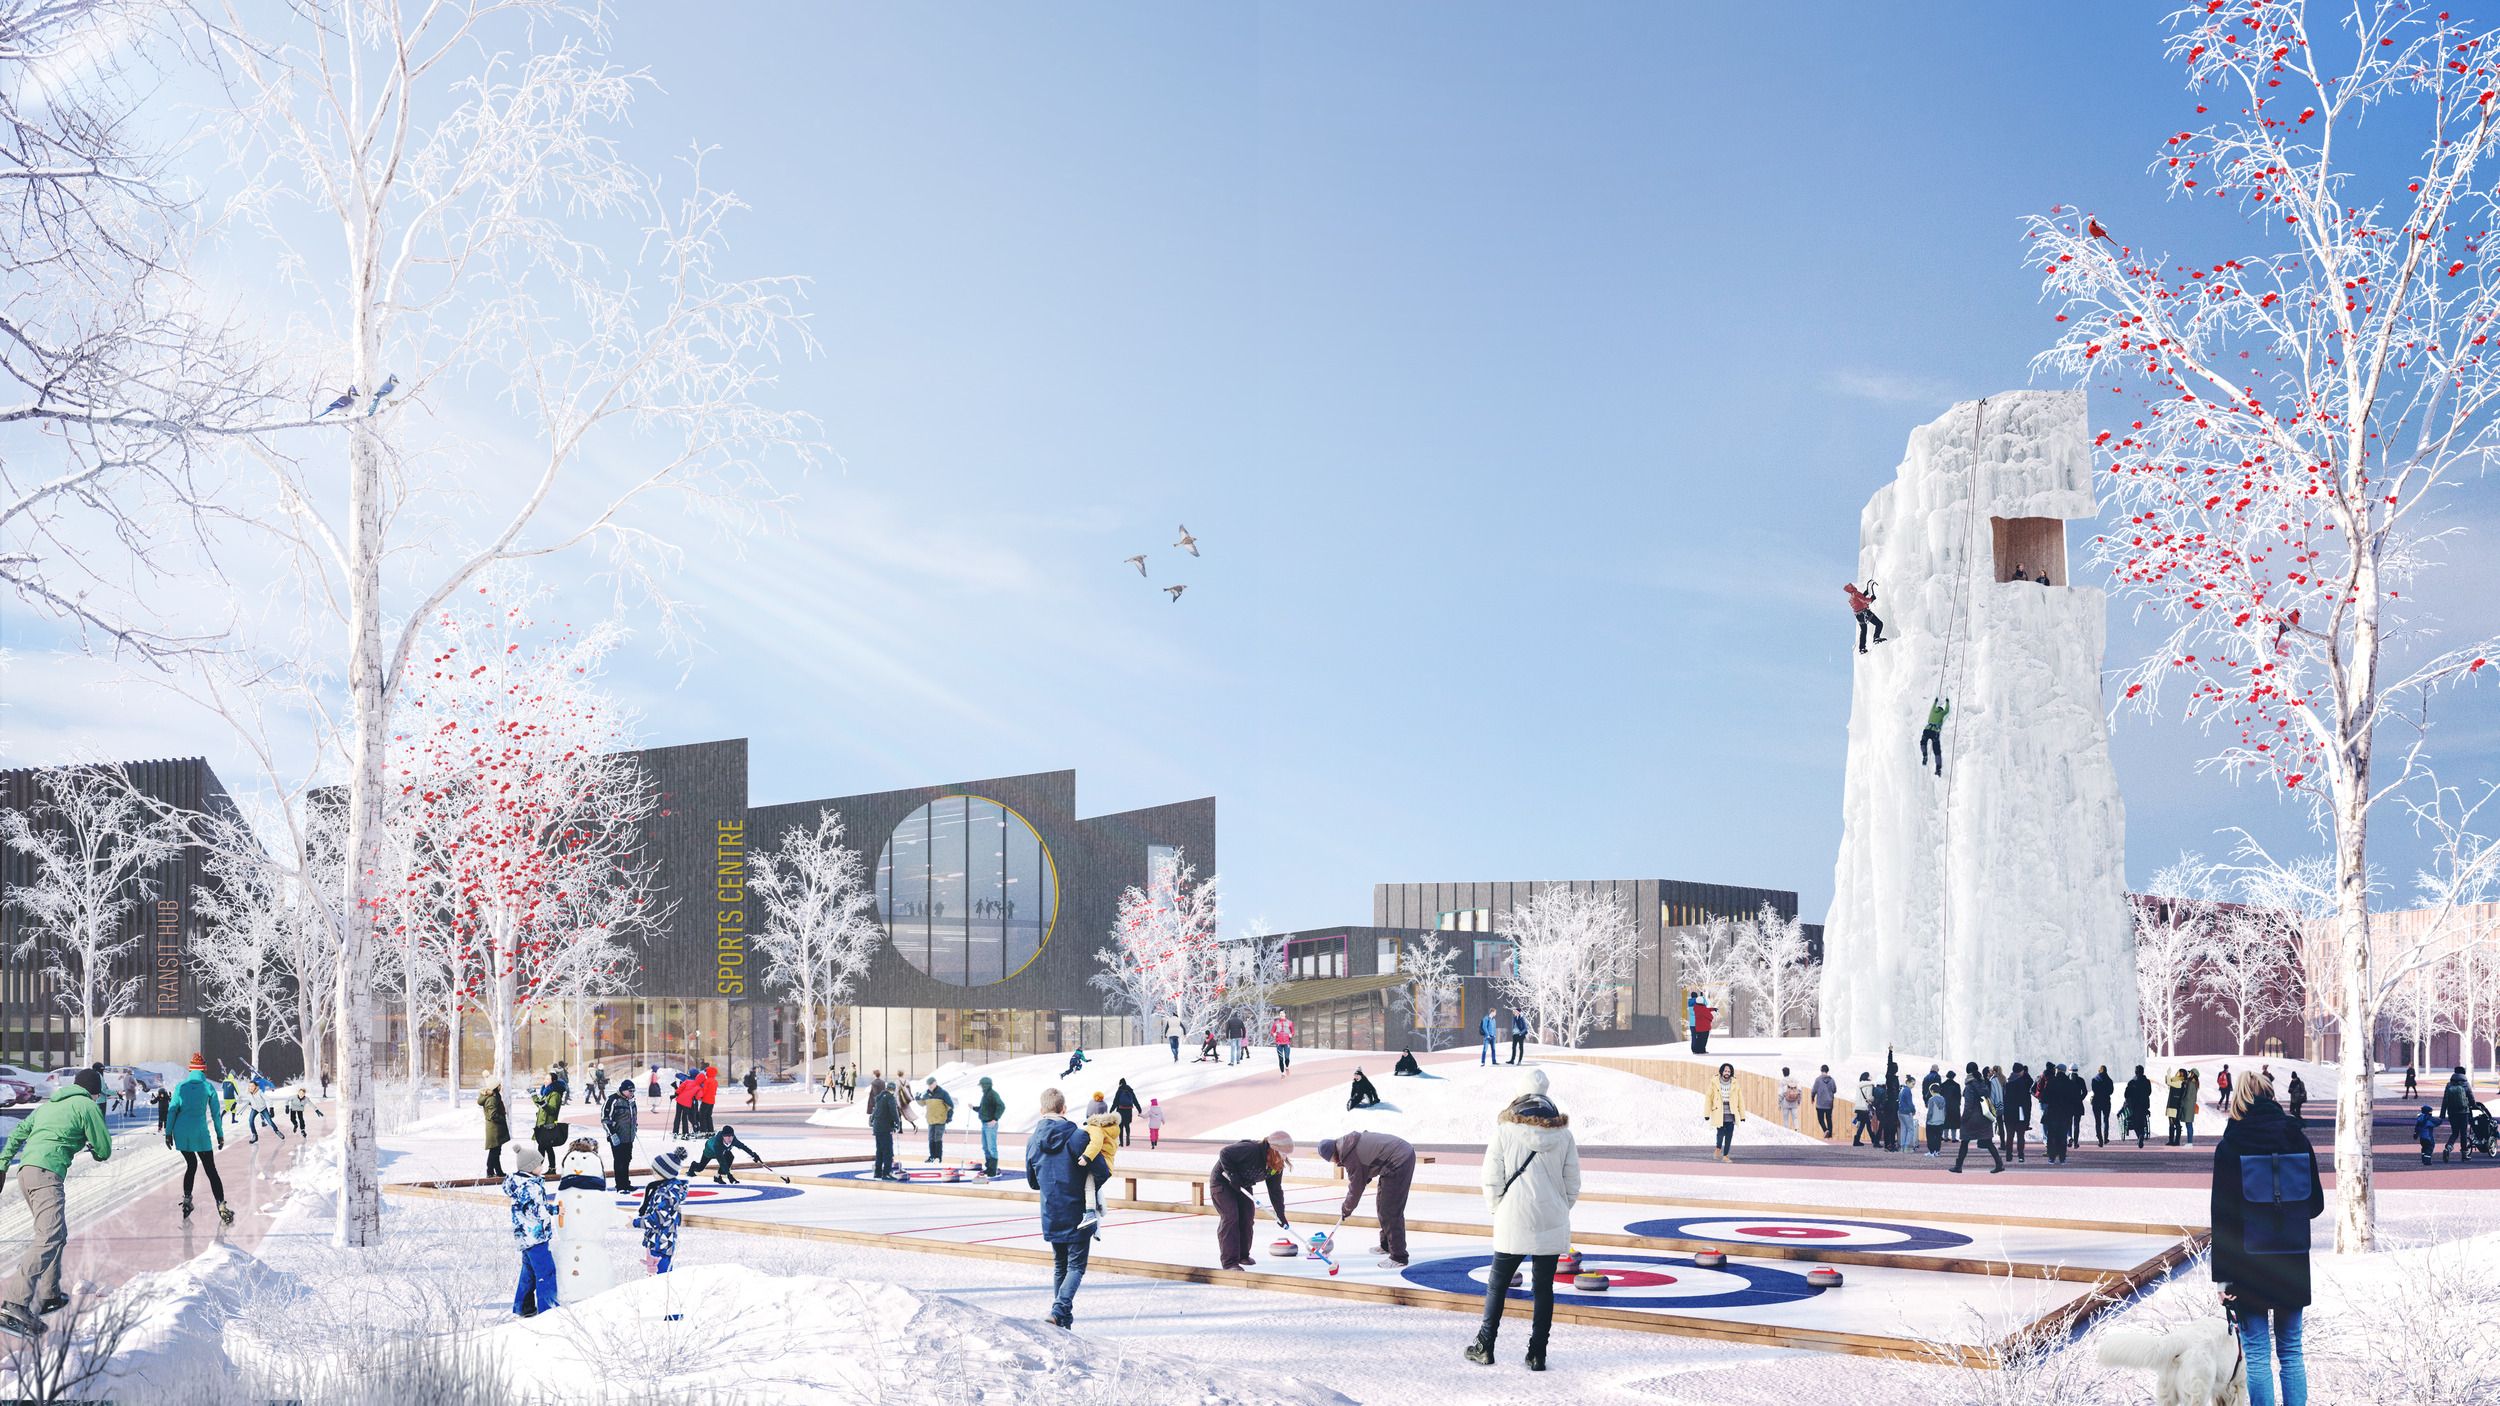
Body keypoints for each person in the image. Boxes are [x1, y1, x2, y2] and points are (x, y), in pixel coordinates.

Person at [2212, 1071, 2323, 1406]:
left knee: (2257, 1354)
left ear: (2239, 1099)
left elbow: (2223, 1217)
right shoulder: (2297, 1138)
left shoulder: (2230, 1145)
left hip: (2248, 1261)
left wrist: (2222, 1278)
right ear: (2271, 1094)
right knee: (2291, 1350)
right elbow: (2315, 1204)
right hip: (2291, 1257)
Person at [1466, 1068, 1580, 1372]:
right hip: (1551, 1219)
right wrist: (1558, 1208)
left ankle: (1485, 1346)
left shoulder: (1504, 1130)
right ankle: (1536, 1354)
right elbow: (1573, 1183)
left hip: (1512, 1219)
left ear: (1520, 1094)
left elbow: (1491, 1178)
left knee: (1497, 1285)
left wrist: (1499, 1209)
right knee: (1543, 1289)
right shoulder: (1564, 1135)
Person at [0, 1068, 112, 1335]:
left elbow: (17, 1134)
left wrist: (2, 1165)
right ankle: (14, 1303)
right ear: (94, 1092)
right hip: (47, 1173)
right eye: (99, 1095)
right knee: (48, 1237)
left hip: (26, 1172)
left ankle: (49, 1295)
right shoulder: (87, 1105)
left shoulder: (48, 1106)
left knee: (56, 1233)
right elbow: (104, 1149)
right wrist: (95, 1150)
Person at [1024, 1089, 1094, 1328]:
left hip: (1051, 1210)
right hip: (1078, 1210)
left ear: (1042, 1110)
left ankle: (1062, 1319)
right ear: (1064, 1109)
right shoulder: (1077, 1136)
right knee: (1075, 1266)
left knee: (1060, 1264)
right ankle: (1059, 1310)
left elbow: (1033, 1182)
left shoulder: (1033, 1140)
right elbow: (1097, 1172)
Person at [1319, 1130, 1417, 1266]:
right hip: (1392, 1160)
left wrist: (1346, 1208)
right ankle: (1386, 1245)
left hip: (1400, 1159)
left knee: (1390, 1210)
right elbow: (1366, 1168)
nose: (1335, 1163)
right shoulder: (1347, 1145)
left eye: (1331, 1159)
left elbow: (1356, 1188)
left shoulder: (1351, 1156)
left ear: (1334, 1152)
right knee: (1382, 1205)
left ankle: (1398, 1257)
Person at [1210, 1132, 1294, 1270]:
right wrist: (1233, 1175)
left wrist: (1280, 1214)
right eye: (1283, 1153)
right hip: (1223, 1182)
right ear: (1273, 1149)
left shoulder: (1276, 1165)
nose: (1284, 1157)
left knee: (1247, 1216)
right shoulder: (1251, 1150)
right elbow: (1225, 1153)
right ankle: (1229, 1262)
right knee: (1231, 1217)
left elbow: (1275, 1191)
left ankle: (1243, 1255)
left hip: (1243, 1184)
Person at [501, 1140, 559, 1317]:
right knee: (546, 1271)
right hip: (535, 1236)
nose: (542, 1167)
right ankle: (548, 1310)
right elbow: (534, 1209)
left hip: (525, 1237)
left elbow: (532, 1206)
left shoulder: (519, 1183)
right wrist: (550, 1212)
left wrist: (550, 1209)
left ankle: (523, 1306)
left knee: (530, 1272)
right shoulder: (530, 1186)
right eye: (540, 1164)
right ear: (530, 1167)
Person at [632, 1148, 689, 1278]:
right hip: (655, 1241)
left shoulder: (669, 1193)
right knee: (653, 1274)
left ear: (665, 1173)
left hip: (662, 1242)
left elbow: (658, 1218)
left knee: (661, 1277)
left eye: (655, 1171)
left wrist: (635, 1222)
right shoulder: (662, 1188)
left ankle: (663, 1295)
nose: (653, 1173)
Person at [1951, 1061, 2003, 1174]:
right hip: (1984, 1118)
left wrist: (1963, 1119)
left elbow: (1968, 1105)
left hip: (1972, 1120)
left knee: (1964, 1142)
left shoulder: (1970, 1085)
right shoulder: (1982, 1082)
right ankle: (1999, 1164)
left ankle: (1958, 1166)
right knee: (1988, 1142)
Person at [690, 1123, 762, 1184]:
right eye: (727, 1136)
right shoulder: (717, 1144)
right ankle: (693, 1165)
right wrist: (729, 1175)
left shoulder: (733, 1140)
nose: (729, 1138)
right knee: (700, 1168)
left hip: (723, 1151)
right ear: (723, 1136)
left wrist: (753, 1154)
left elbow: (743, 1147)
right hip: (710, 1151)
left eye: (731, 1136)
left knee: (730, 1157)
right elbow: (722, 1161)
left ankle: (717, 1177)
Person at [602, 1079, 639, 1192]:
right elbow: (605, 1119)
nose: (632, 1093)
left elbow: (633, 1116)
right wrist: (612, 1134)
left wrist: (634, 1127)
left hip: (629, 1136)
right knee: (619, 1161)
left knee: (627, 1159)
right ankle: (620, 1185)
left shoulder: (631, 1101)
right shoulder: (613, 1100)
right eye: (630, 1091)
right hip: (617, 1137)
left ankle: (626, 1183)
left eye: (633, 1090)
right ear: (623, 1090)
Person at [1704, 1063, 1744, 1161]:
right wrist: (1707, 1114)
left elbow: (1740, 1099)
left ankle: (1725, 1155)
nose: (1727, 1073)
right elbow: (1708, 1097)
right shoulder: (1714, 1082)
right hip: (1719, 1113)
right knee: (1720, 1133)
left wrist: (1742, 1115)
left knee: (1729, 1135)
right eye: (1725, 1071)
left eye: (1729, 1071)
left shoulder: (1735, 1083)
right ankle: (1718, 1148)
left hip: (1731, 1113)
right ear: (1722, 1071)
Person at [866, 1075, 902, 1181]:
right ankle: (886, 1173)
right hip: (885, 1128)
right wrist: (897, 1122)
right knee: (888, 1151)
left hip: (877, 1128)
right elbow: (893, 1111)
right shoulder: (890, 1098)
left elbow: (875, 1111)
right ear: (893, 1090)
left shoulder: (880, 1097)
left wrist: (872, 1120)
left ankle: (877, 1172)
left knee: (880, 1151)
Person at [477, 1080, 511, 1178]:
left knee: (496, 1151)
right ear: (495, 1087)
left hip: (495, 1128)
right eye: (499, 1085)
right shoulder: (492, 1099)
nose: (501, 1086)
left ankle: (498, 1171)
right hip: (494, 1128)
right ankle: (490, 1171)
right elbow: (493, 1115)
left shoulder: (495, 1096)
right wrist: (503, 1119)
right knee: (494, 1151)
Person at [2440, 1067, 2475, 1161]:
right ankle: (2464, 1154)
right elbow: (2471, 1098)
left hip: (2452, 1112)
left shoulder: (2449, 1084)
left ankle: (2448, 1148)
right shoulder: (2466, 1084)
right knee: (2463, 1133)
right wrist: (2474, 1106)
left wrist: (2442, 1114)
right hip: (2463, 1112)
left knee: (2454, 1133)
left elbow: (2445, 1100)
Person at [975, 1075, 1007, 1176]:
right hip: (984, 1124)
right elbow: (983, 1109)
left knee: (991, 1147)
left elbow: (1001, 1106)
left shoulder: (993, 1094)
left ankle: (992, 1170)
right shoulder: (985, 1095)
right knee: (985, 1147)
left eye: (982, 1086)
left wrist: (995, 1119)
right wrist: (974, 1108)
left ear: (986, 1085)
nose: (981, 1087)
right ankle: (989, 1168)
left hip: (990, 1125)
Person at [1843, 581, 1887, 653]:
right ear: (1852, 588)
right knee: (1879, 624)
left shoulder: (1851, 598)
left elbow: (1859, 600)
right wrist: (1872, 599)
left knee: (1863, 630)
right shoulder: (1856, 593)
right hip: (1864, 613)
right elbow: (1864, 600)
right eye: (1852, 586)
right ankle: (1876, 637)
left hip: (1858, 616)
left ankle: (1862, 648)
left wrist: (1865, 593)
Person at [921, 1077, 955, 1162]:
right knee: (931, 1138)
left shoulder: (943, 1093)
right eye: (929, 1085)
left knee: (937, 1138)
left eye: (931, 1084)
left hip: (940, 1119)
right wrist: (918, 1098)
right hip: (930, 1120)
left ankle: (938, 1157)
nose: (930, 1086)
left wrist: (949, 1117)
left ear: (935, 1083)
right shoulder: (927, 1094)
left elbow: (950, 1106)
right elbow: (922, 1103)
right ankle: (932, 1156)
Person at [532, 1078, 565, 1159]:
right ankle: (550, 1168)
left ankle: (538, 1167)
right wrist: (534, 1095)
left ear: (553, 1081)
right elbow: (541, 1106)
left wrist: (544, 1104)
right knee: (547, 1148)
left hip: (548, 1125)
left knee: (543, 1148)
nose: (545, 1081)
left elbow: (552, 1109)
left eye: (547, 1079)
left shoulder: (555, 1094)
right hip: (542, 1124)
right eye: (545, 1079)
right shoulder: (547, 1093)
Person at [2123, 1065, 2154, 1149]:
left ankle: (2139, 1136)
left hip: (2134, 1105)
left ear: (2135, 1072)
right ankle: (2141, 1135)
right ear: (2143, 1072)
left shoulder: (2132, 1082)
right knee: (2142, 1122)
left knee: (2135, 1123)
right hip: (2144, 1105)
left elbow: (2126, 1094)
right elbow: (2149, 1092)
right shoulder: (2147, 1082)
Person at [1919, 697, 1951, 777]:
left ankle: (1925, 755)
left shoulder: (1933, 711)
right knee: (1937, 751)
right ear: (1941, 709)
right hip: (1934, 732)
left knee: (1923, 742)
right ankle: (1938, 769)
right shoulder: (1942, 713)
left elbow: (1933, 706)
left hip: (1927, 729)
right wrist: (1947, 702)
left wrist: (1935, 701)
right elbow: (1947, 710)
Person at [1809, 1066, 1837, 1138]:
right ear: (1827, 1071)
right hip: (1829, 1103)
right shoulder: (1832, 1080)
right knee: (1829, 1119)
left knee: (1821, 1119)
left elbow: (1814, 1090)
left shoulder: (1818, 1080)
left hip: (1820, 1103)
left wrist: (1812, 1098)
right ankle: (1829, 1135)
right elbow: (1834, 1090)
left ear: (1821, 1070)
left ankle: (1825, 1130)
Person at [2090, 1065, 2115, 1146]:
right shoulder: (2109, 1080)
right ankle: (2105, 1138)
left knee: (2098, 1121)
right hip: (2106, 1102)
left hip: (2096, 1102)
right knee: (2106, 1120)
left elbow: (2094, 1090)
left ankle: (2100, 1139)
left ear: (2099, 1071)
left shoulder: (2094, 1080)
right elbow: (2111, 1091)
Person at [1111, 1078, 1140, 1147]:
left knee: (1120, 1126)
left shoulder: (1119, 1091)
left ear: (1120, 1083)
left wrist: (1111, 1110)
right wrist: (1139, 1109)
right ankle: (1128, 1138)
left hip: (1120, 1110)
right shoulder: (1130, 1090)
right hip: (1128, 1110)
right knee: (1127, 1125)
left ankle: (1121, 1142)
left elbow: (1115, 1102)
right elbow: (1135, 1100)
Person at [1850, 1070, 1876, 1146]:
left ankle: (1858, 1140)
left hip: (1858, 1107)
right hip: (1865, 1108)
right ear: (1867, 1077)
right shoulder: (1869, 1085)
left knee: (1865, 1124)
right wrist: (1873, 1099)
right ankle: (1873, 1140)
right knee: (1865, 1124)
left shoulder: (1859, 1085)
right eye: (1869, 1075)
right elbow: (1869, 1098)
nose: (1871, 1077)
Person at [1923, 1079, 1948, 1155]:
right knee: (1938, 1137)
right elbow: (1945, 1110)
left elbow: (1930, 1112)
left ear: (1932, 1091)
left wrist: (1927, 1120)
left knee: (1930, 1137)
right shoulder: (1943, 1099)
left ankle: (1931, 1151)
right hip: (1941, 1121)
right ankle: (1937, 1151)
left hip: (1932, 1121)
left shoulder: (1931, 1099)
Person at [1777, 1068, 1802, 1132]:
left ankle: (1786, 1130)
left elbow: (1780, 1094)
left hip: (1785, 1103)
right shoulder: (1794, 1080)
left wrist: (1779, 1103)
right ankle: (1797, 1129)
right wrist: (1799, 1100)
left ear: (1783, 1073)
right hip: (1794, 1102)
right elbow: (1799, 1091)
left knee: (1786, 1118)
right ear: (1789, 1072)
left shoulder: (1782, 1081)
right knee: (1795, 1117)